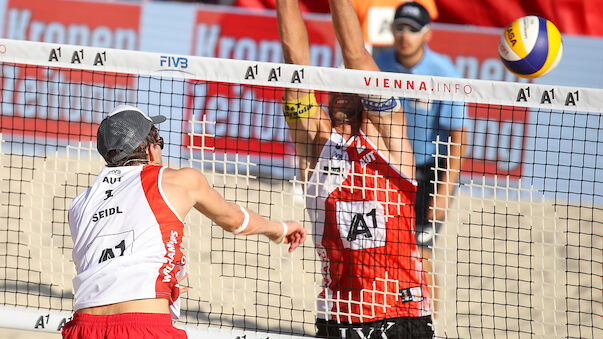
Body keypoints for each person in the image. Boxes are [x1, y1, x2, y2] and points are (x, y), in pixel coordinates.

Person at [62, 104, 306, 339]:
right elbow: (234, 220)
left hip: (83, 327)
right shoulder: (177, 180)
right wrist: (279, 229)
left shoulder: (79, 204)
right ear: (150, 149)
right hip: (144, 326)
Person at [277, 0, 433, 337]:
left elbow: (358, 59)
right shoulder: (316, 145)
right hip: (339, 315)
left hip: (401, 312)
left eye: (353, 84)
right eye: (338, 84)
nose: (345, 89)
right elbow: (295, 64)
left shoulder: (391, 142)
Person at [374, 1, 467, 319]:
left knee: (420, 253)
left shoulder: (445, 75)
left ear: (426, 34)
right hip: (389, 169)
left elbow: (458, 138)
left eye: (412, 30)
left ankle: (430, 324)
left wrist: (445, 190)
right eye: (399, 27)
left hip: (431, 172)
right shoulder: (379, 64)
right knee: (383, 250)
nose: (404, 35)